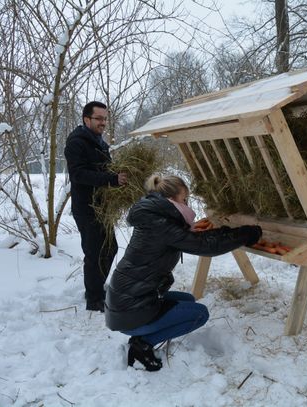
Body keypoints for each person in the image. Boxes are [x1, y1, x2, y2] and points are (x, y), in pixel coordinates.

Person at [105, 174, 262, 371]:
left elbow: (197, 238)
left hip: (126, 302)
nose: (187, 203)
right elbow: (204, 245)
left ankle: (143, 331)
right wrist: (246, 234)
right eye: (184, 199)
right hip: (129, 311)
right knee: (199, 314)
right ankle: (143, 343)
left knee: (187, 300)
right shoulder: (161, 225)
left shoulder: (156, 218)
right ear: (171, 199)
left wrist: (228, 233)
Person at [64, 101, 128, 312]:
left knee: (110, 248)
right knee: (94, 252)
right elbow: (78, 174)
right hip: (86, 207)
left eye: (105, 118)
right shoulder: (76, 142)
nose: (103, 122)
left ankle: (97, 288)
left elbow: (104, 169)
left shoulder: (99, 142)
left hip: (102, 207)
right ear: (86, 119)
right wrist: (111, 179)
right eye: (98, 118)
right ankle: (93, 299)